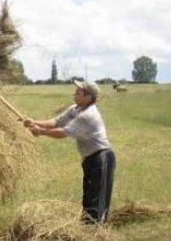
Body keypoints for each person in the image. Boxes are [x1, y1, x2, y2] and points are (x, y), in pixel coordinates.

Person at [23, 80, 116, 224]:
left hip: (101, 158)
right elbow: (56, 122)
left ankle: (97, 232)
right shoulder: (76, 109)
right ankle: (88, 227)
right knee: (89, 195)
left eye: (78, 92)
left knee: (98, 198)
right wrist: (34, 122)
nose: (74, 94)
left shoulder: (88, 116)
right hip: (90, 158)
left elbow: (63, 132)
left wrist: (40, 131)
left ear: (88, 97)